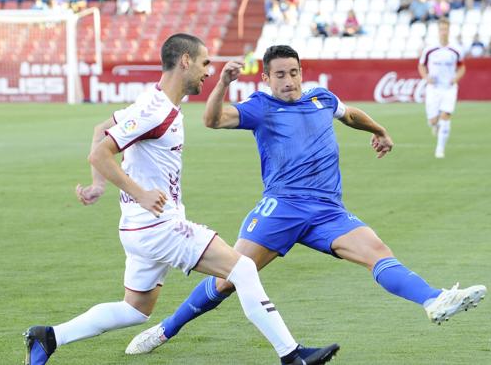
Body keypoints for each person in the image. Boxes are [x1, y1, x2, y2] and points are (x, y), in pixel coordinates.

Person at [126, 44, 487, 355]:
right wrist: (223, 82)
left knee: (378, 252)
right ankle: (165, 330)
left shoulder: (321, 98)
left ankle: (434, 300)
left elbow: (349, 114)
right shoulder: (260, 107)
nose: (289, 82)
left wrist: (378, 130)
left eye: (294, 73)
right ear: (266, 79)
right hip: (281, 209)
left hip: (328, 211)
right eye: (280, 75)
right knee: (229, 279)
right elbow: (213, 119)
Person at [23, 34, 339, 365]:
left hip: (138, 230)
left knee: (134, 310)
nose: (207, 71)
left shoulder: (158, 103)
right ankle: (291, 355)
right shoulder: (155, 110)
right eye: (204, 64)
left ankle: (49, 336)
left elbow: (101, 130)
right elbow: (101, 153)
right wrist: (140, 193)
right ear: (185, 61)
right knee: (243, 268)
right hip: (158, 226)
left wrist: (97, 186)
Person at [418, 17, 466, 159]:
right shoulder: (430, 49)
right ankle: (435, 125)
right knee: (433, 120)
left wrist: (456, 78)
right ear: (438, 31)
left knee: (445, 116)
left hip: (449, 88)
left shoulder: (456, 49)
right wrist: (426, 77)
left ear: (449, 30)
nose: (443, 32)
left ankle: (440, 149)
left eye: (445, 29)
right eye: (441, 29)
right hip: (433, 88)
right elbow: (421, 65)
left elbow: (462, 66)